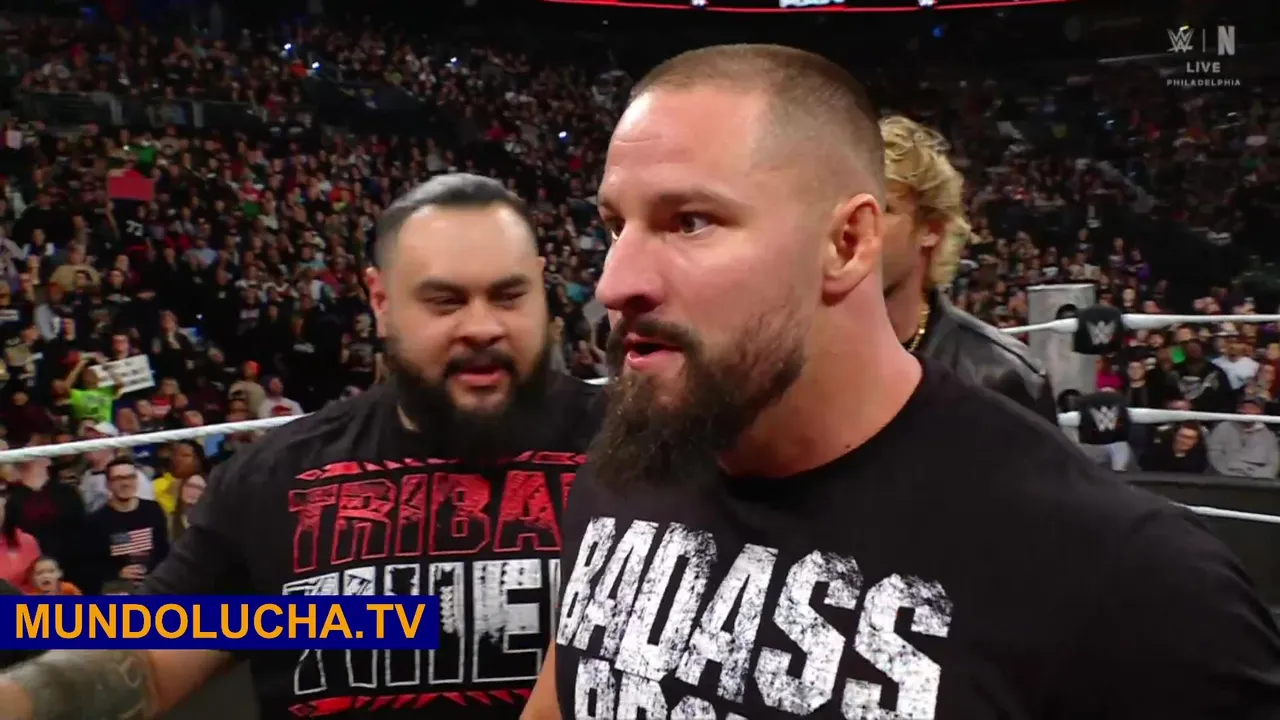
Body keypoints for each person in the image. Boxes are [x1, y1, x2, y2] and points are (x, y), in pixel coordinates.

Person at [523, 44, 1280, 720]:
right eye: (615, 224)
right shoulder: (630, 461)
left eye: (689, 221)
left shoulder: (1128, 581)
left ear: (848, 242)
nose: (615, 281)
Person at [0, 174, 604, 719]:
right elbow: (148, 658)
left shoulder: (633, 447)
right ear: (381, 301)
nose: (482, 326)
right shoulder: (277, 476)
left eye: (509, 295)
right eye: (444, 301)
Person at [879, 115, 1057, 422]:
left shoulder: (1000, 376)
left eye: (883, 209)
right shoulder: (802, 360)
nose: (857, 227)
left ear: (930, 229)